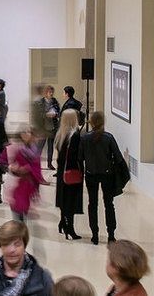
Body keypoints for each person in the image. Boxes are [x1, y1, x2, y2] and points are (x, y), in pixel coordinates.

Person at [79, 111, 124, 244]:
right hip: (107, 174)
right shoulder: (108, 137)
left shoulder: (85, 138)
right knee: (109, 204)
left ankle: (95, 235)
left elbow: (80, 157)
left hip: (91, 174)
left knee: (92, 204)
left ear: (91, 122)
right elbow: (118, 157)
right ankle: (111, 234)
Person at [0, 220, 54, 296]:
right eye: (6, 244)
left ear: (24, 246)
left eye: (17, 244)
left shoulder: (42, 279)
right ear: (1, 246)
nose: (11, 250)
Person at [54, 111, 83, 240]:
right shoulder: (75, 135)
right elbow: (75, 155)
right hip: (71, 171)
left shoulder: (60, 134)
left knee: (63, 198)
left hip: (62, 172)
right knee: (71, 200)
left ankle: (62, 222)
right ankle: (69, 228)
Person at [7, 127, 46, 222]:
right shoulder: (18, 148)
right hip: (19, 183)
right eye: (25, 133)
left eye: (29, 133)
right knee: (18, 207)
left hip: (28, 183)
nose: (27, 135)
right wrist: (14, 168)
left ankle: (21, 226)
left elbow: (36, 167)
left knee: (23, 208)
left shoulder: (34, 150)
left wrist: (27, 169)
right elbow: (10, 163)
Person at [42, 85, 60, 170]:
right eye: (49, 92)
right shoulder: (40, 102)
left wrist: (55, 114)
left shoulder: (54, 101)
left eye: (52, 92)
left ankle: (49, 163)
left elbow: (58, 111)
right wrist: (45, 115)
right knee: (40, 146)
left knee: (50, 146)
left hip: (52, 127)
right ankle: (36, 163)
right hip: (43, 127)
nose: (51, 93)